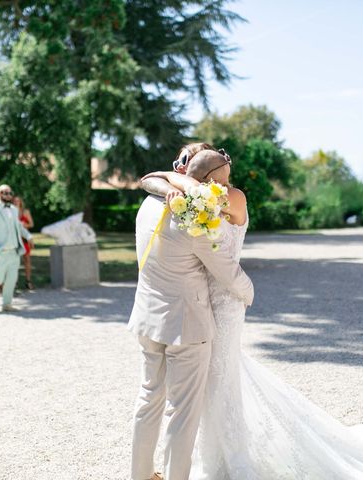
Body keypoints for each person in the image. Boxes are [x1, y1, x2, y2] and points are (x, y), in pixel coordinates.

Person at [141, 150, 363, 479]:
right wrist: (184, 183)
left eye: (194, 167)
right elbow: (155, 179)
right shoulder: (198, 196)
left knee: (221, 376)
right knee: (212, 381)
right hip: (205, 297)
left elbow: (182, 197)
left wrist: (184, 184)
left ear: (210, 174)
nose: (188, 168)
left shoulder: (230, 197)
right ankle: (211, 455)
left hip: (227, 297)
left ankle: (231, 460)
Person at [128, 149, 254, 480]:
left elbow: (151, 180)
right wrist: (248, 292)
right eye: (223, 181)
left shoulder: (147, 206)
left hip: (147, 317)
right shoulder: (195, 219)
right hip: (187, 325)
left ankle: (140, 475)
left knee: (148, 400)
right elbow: (225, 269)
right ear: (210, 182)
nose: (227, 188)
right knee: (182, 413)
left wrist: (165, 182)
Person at [13, 195, 34, 289]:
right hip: (15, 239)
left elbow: (31, 224)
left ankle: (28, 281)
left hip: (24, 239)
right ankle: (14, 281)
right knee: (15, 261)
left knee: (27, 260)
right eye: (15, 201)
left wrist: (25, 225)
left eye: (18, 201)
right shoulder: (11, 212)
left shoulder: (25, 212)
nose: (16, 202)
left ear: (21, 202)